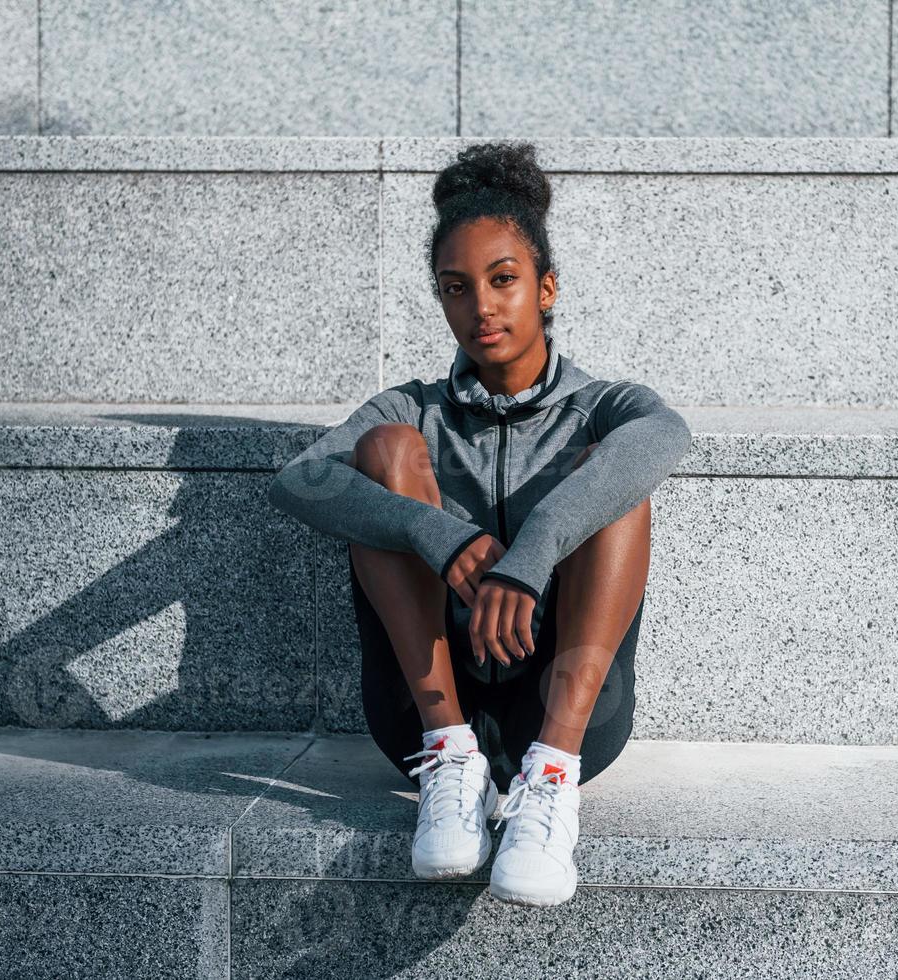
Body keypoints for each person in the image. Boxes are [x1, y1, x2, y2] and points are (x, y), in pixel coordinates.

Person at [268, 140, 692, 907]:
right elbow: (300, 481)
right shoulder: (415, 407)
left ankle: (550, 785)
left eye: (503, 281)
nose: (481, 307)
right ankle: (452, 759)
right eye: (456, 288)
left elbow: (668, 437)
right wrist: (439, 535)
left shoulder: (602, 403)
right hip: (424, 715)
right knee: (384, 454)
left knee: (616, 465)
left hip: (567, 709)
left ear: (547, 287)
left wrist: (532, 552)